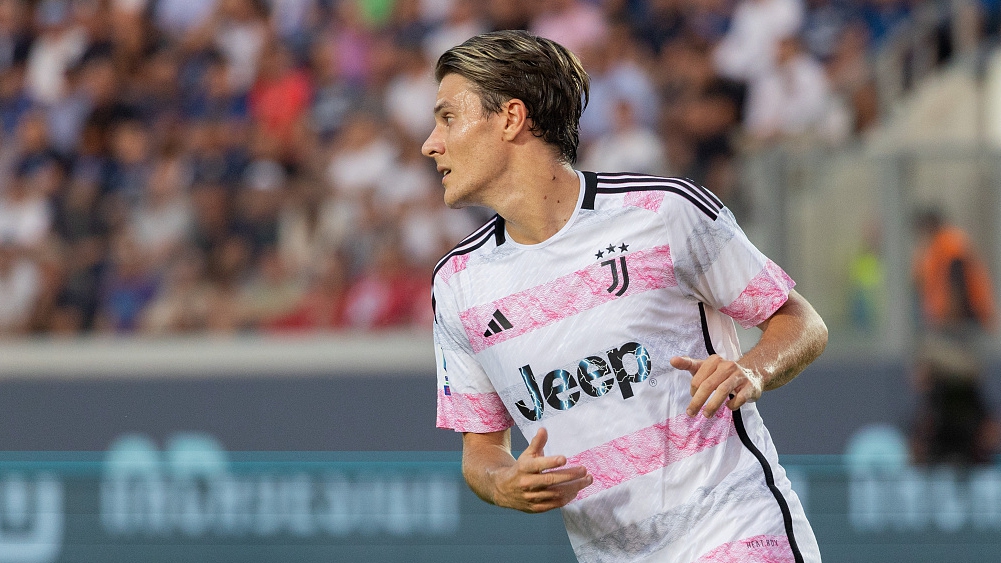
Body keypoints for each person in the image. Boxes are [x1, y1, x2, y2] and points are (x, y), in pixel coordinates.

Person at [425, 30, 828, 563]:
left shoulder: (663, 213)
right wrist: (505, 484)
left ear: (511, 118)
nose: (431, 142)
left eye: (448, 117)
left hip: (734, 527)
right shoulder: (457, 284)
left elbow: (800, 321)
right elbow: (481, 450)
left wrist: (750, 370)